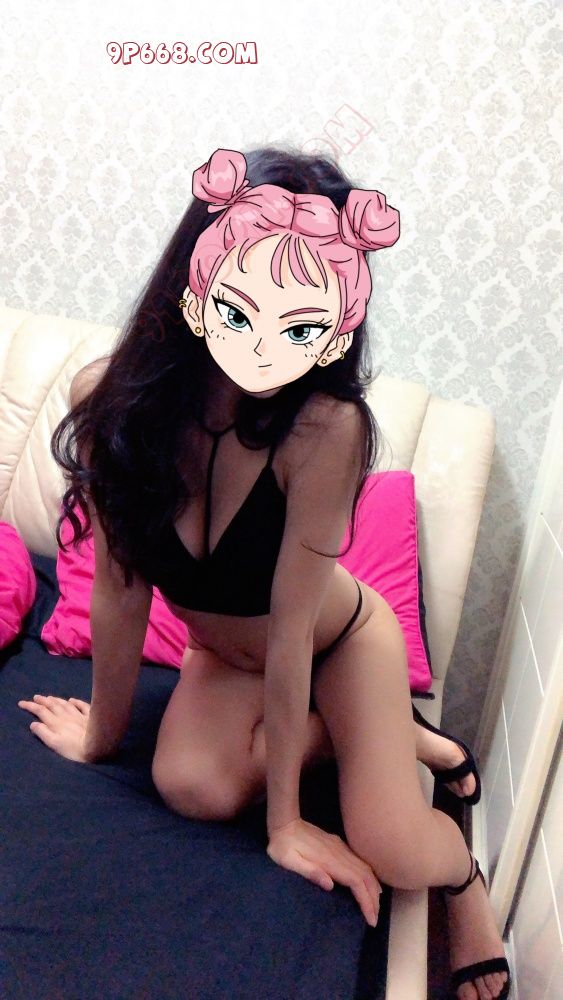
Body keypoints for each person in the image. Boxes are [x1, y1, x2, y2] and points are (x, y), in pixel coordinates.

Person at [19, 146, 509, 999]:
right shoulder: (111, 402)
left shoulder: (322, 429)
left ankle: (460, 876)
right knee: (191, 788)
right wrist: (101, 735)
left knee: (395, 848)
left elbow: (291, 632)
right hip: (226, 655)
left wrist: (286, 823)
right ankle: (396, 738)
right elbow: (119, 592)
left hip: (335, 641)